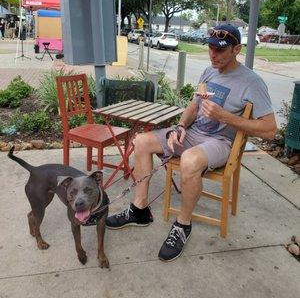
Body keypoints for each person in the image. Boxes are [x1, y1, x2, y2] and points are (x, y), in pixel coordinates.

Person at [106, 24, 277, 262]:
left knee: (189, 160)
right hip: (194, 134)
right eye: (210, 48)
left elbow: (270, 129)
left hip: (220, 142)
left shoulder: (252, 82)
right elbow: (193, 106)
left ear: (237, 49)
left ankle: (183, 225)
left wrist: (224, 117)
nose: (213, 54)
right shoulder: (209, 71)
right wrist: (180, 127)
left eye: (221, 50)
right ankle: (139, 209)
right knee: (142, 141)